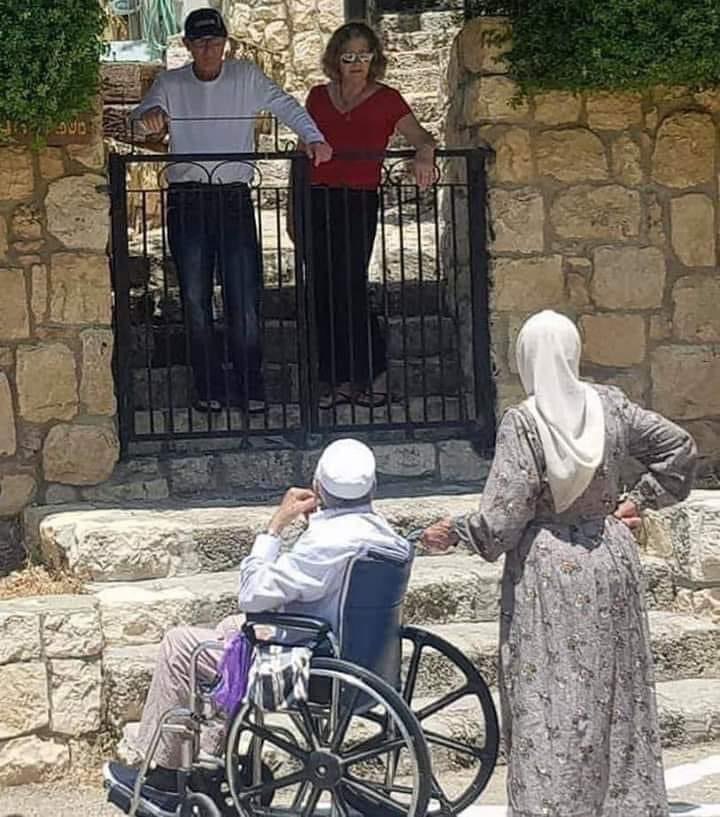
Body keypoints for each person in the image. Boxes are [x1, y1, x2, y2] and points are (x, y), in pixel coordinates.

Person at [422, 310, 697, 817]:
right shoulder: (611, 407)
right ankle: (624, 803)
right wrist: (637, 500)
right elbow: (679, 448)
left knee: (549, 690)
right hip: (610, 557)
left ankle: (555, 804)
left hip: (549, 568)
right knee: (616, 686)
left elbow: (503, 520)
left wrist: (454, 531)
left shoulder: (524, 423)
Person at [103, 438, 411, 816]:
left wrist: (275, 526)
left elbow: (251, 593)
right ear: (373, 488)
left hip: (305, 670)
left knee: (180, 645)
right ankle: (211, 758)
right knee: (229, 630)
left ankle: (164, 780)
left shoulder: (324, 545)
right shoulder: (384, 536)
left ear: (318, 489)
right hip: (363, 661)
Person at [132, 8, 332, 413]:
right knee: (194, 298)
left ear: (226, 44)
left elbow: (286, 106)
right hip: (187, 199)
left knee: (244, 295)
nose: (209, 49)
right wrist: (147, 121)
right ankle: (208, 386)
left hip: (232, 197)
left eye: (215, 41)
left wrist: (313, 138)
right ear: (187, 46)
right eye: (200, 42)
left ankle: (249, 384)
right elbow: (139, 120)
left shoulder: (246, 76)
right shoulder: (170, 83)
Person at [295, 21, 436, 409]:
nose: (357, 63)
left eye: (364, 55)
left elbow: (423, 137)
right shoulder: (318, 98)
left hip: (358, 200)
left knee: (350, 285)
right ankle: (337, 379)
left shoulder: (388, 99)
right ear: (335, 59)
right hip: (317, 198)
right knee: (322, 289)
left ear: (374, 58)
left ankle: (373, 374)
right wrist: (294, 210)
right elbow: (300, 150)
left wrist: (424, 155)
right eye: (348, 56)